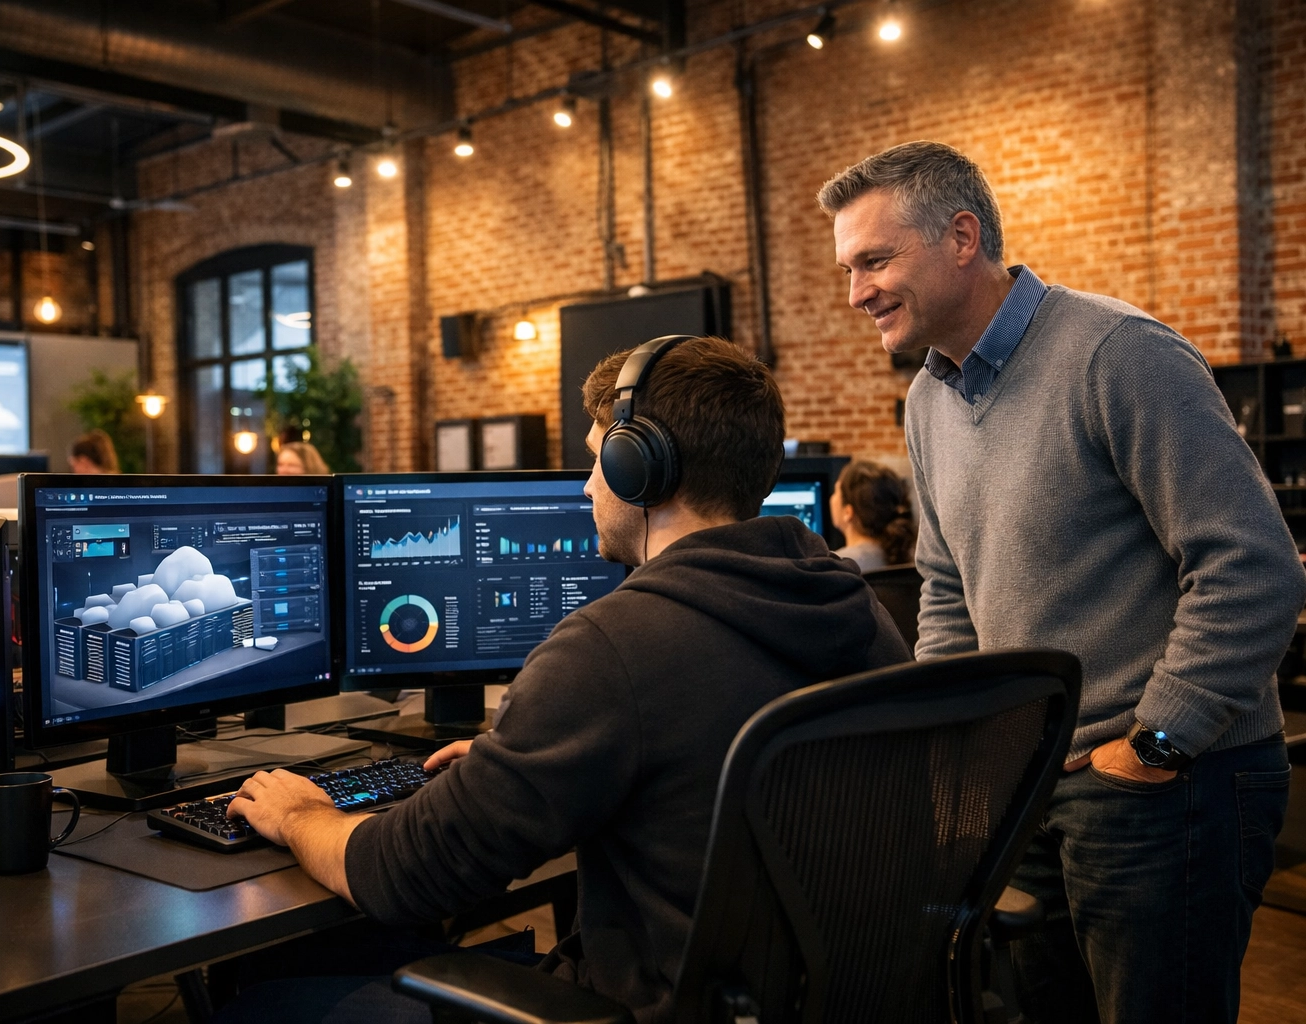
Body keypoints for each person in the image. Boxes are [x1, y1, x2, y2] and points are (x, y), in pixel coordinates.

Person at [218, 336, 910, 1024]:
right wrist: (514, 768)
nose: (586, 485)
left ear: (642, 468)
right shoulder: (857, 613)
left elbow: (404, 873)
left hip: (649, 1005)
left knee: (264, 1002)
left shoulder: (612, 647)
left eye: (595, 459)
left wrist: (303, 814)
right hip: (825, 997)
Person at [819, 140, 1304, 1023]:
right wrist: (959, 757)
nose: (857, 292)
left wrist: (1157, 744)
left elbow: (1252, 563)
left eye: (876, 261)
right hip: (1030, 780)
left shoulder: (1118, 354)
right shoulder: (928, 399)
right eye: (850, 269)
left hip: (1170, 782)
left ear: (962, 237)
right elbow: (946, 590)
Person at [829, 460, 916, 571]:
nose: (831, 498)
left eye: (836, 492)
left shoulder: (833, 568)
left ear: (848, 512)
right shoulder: (914, 561)